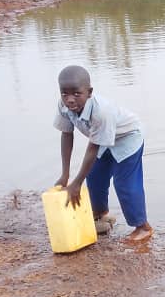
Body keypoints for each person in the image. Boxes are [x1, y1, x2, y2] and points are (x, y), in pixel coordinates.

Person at [52, 65, 153, 242]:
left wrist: (76, 183)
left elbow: (93, 147)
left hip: (127, 137)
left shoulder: (101, 112)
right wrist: (65, 174)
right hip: (101, 139)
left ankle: (142, 227)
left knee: (124, 183)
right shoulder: (64, 106)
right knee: (95, 176)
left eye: (76, 94)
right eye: (64, 94)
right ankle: (100, 214)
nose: (70, 100)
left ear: (89, 92)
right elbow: (67, 134)